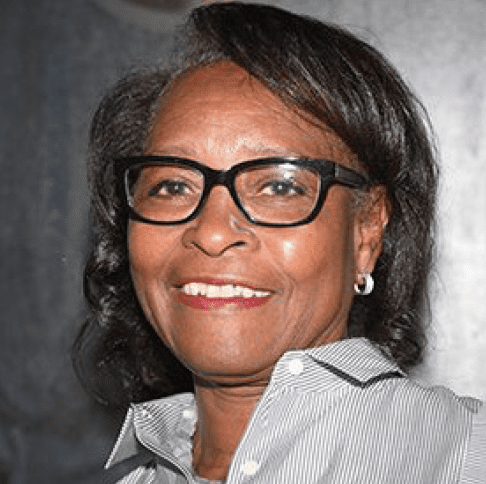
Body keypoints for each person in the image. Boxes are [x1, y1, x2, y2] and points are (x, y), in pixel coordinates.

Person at [73, 2, 486, 483]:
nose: (211, 232)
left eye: (279, 186)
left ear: (367, 231)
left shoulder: (463, 456)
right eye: (172, 185)